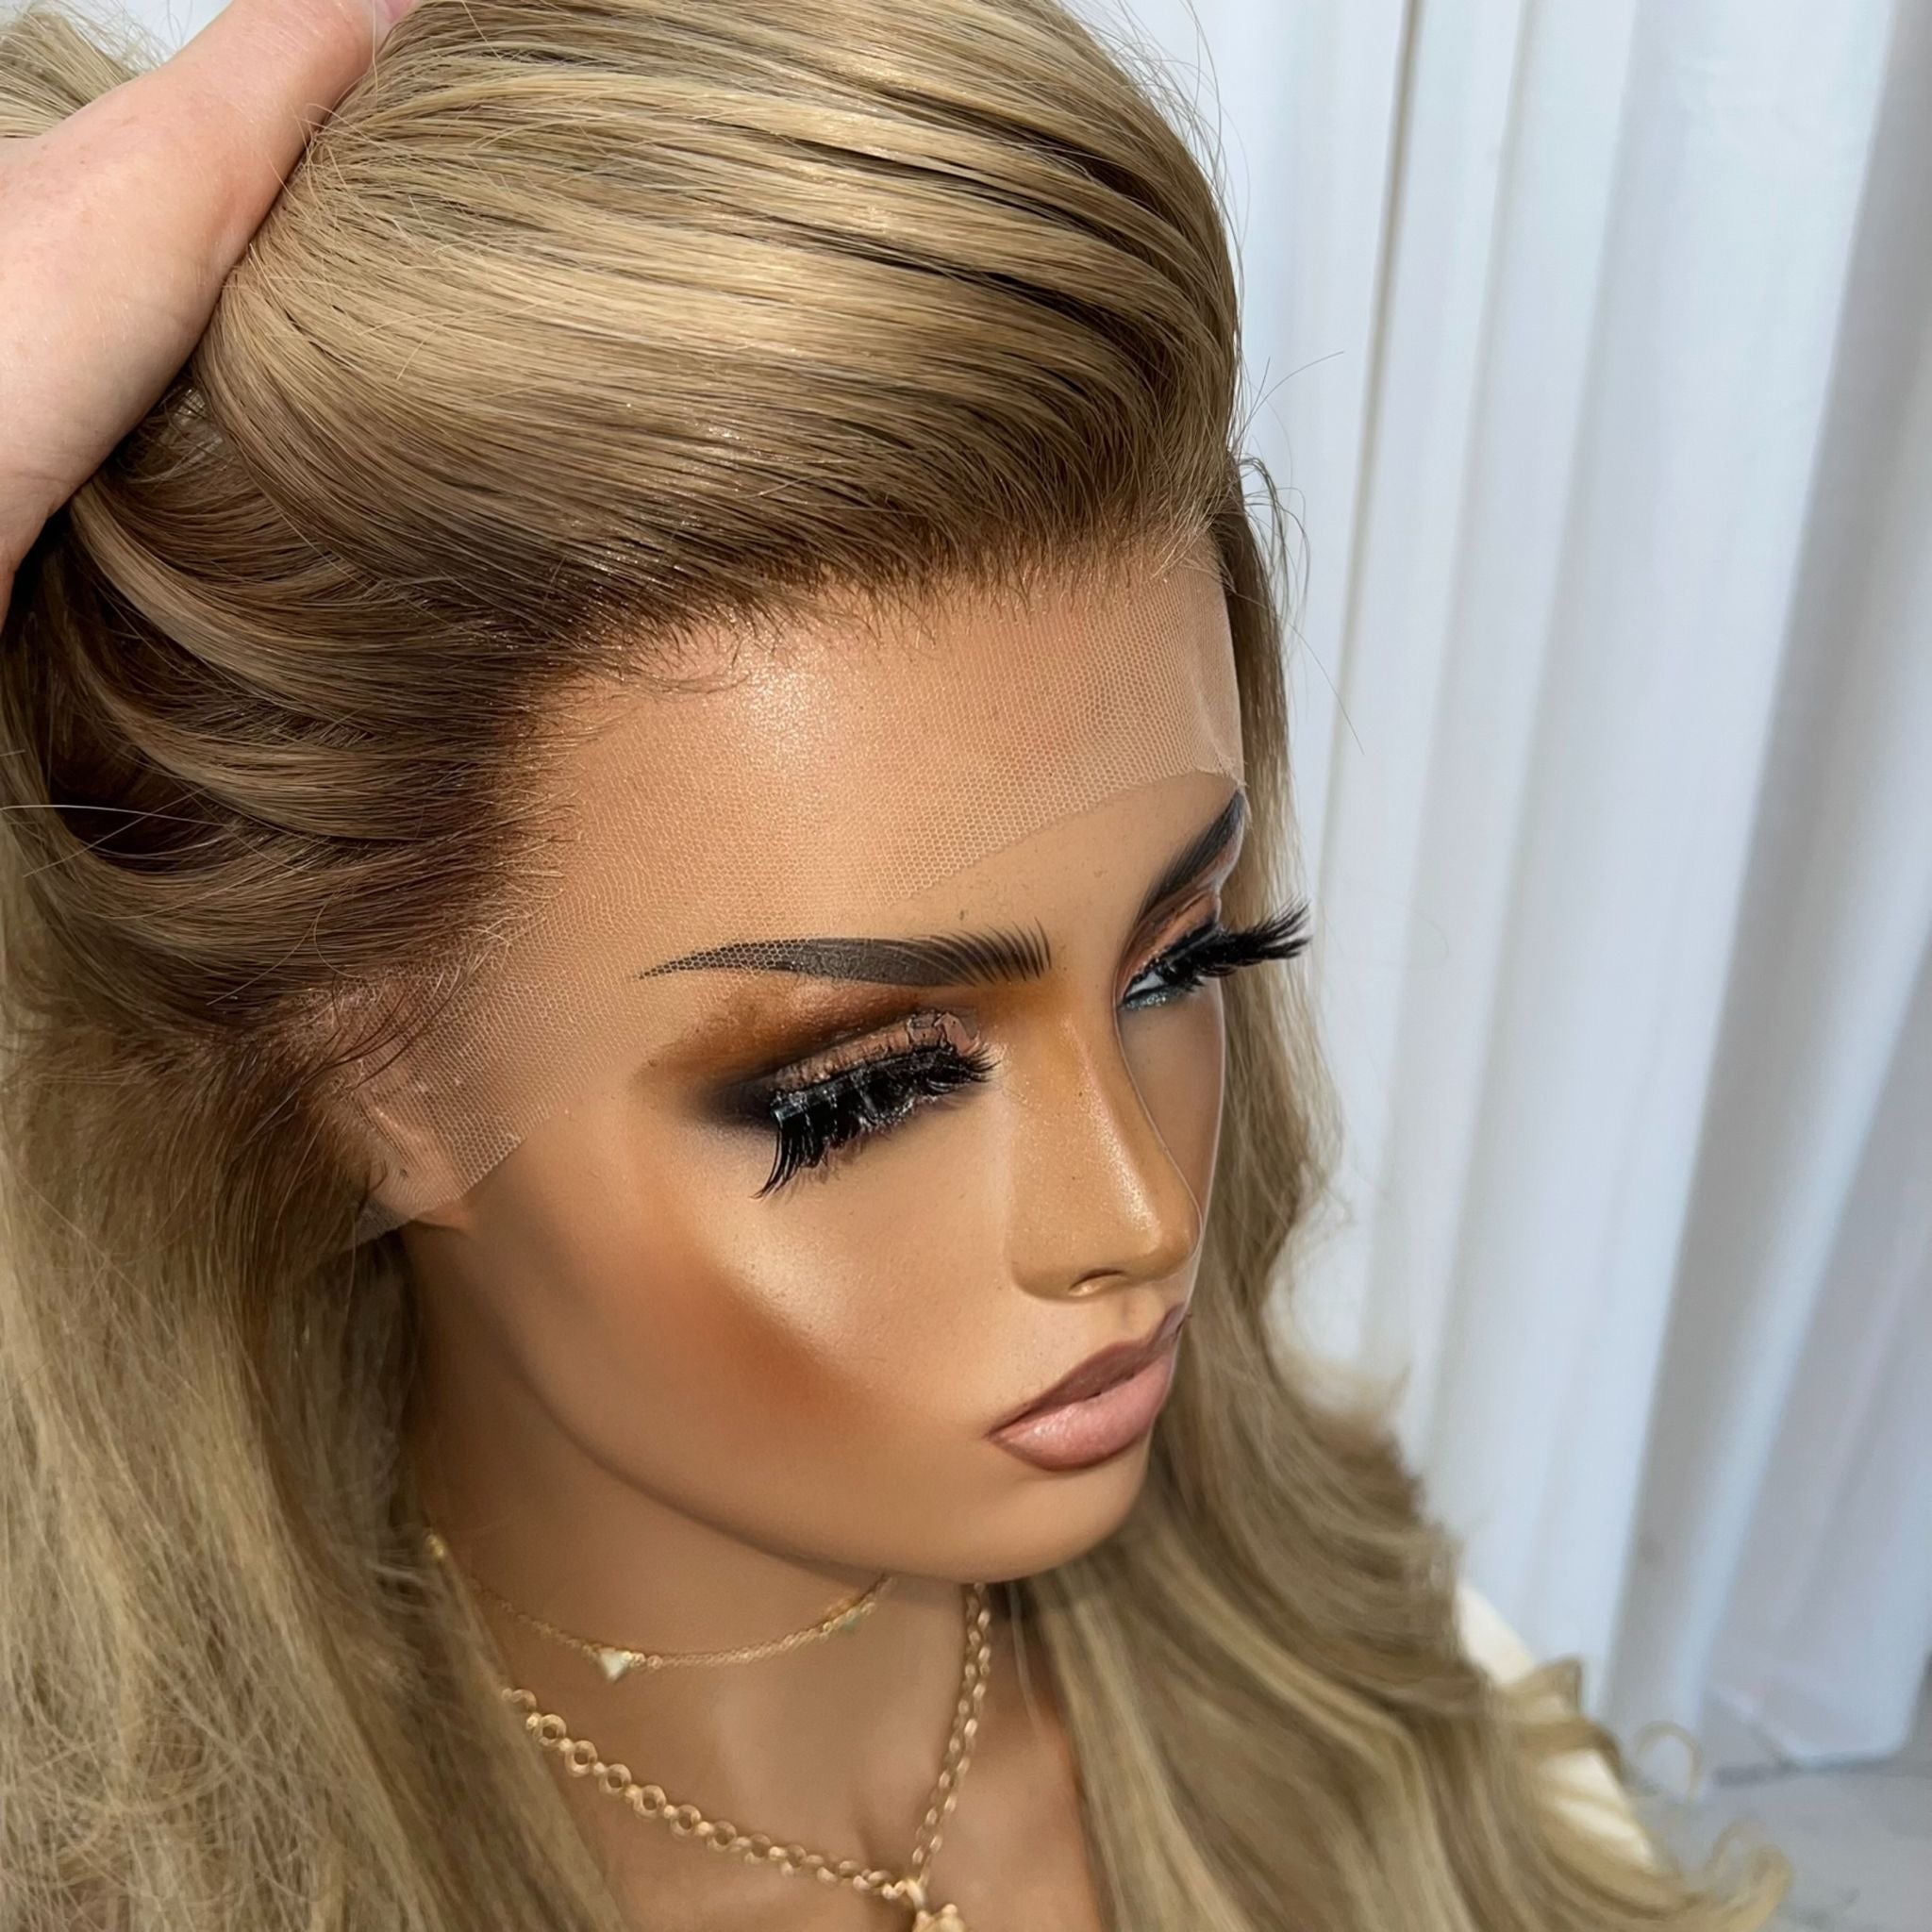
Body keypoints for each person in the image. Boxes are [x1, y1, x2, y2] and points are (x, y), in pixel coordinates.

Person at [0, 3, 1788, 1929]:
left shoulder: (1369, 1717)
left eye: (1182, 960)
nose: (1131, 1214)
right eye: (865, 1089)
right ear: (375, 1080)